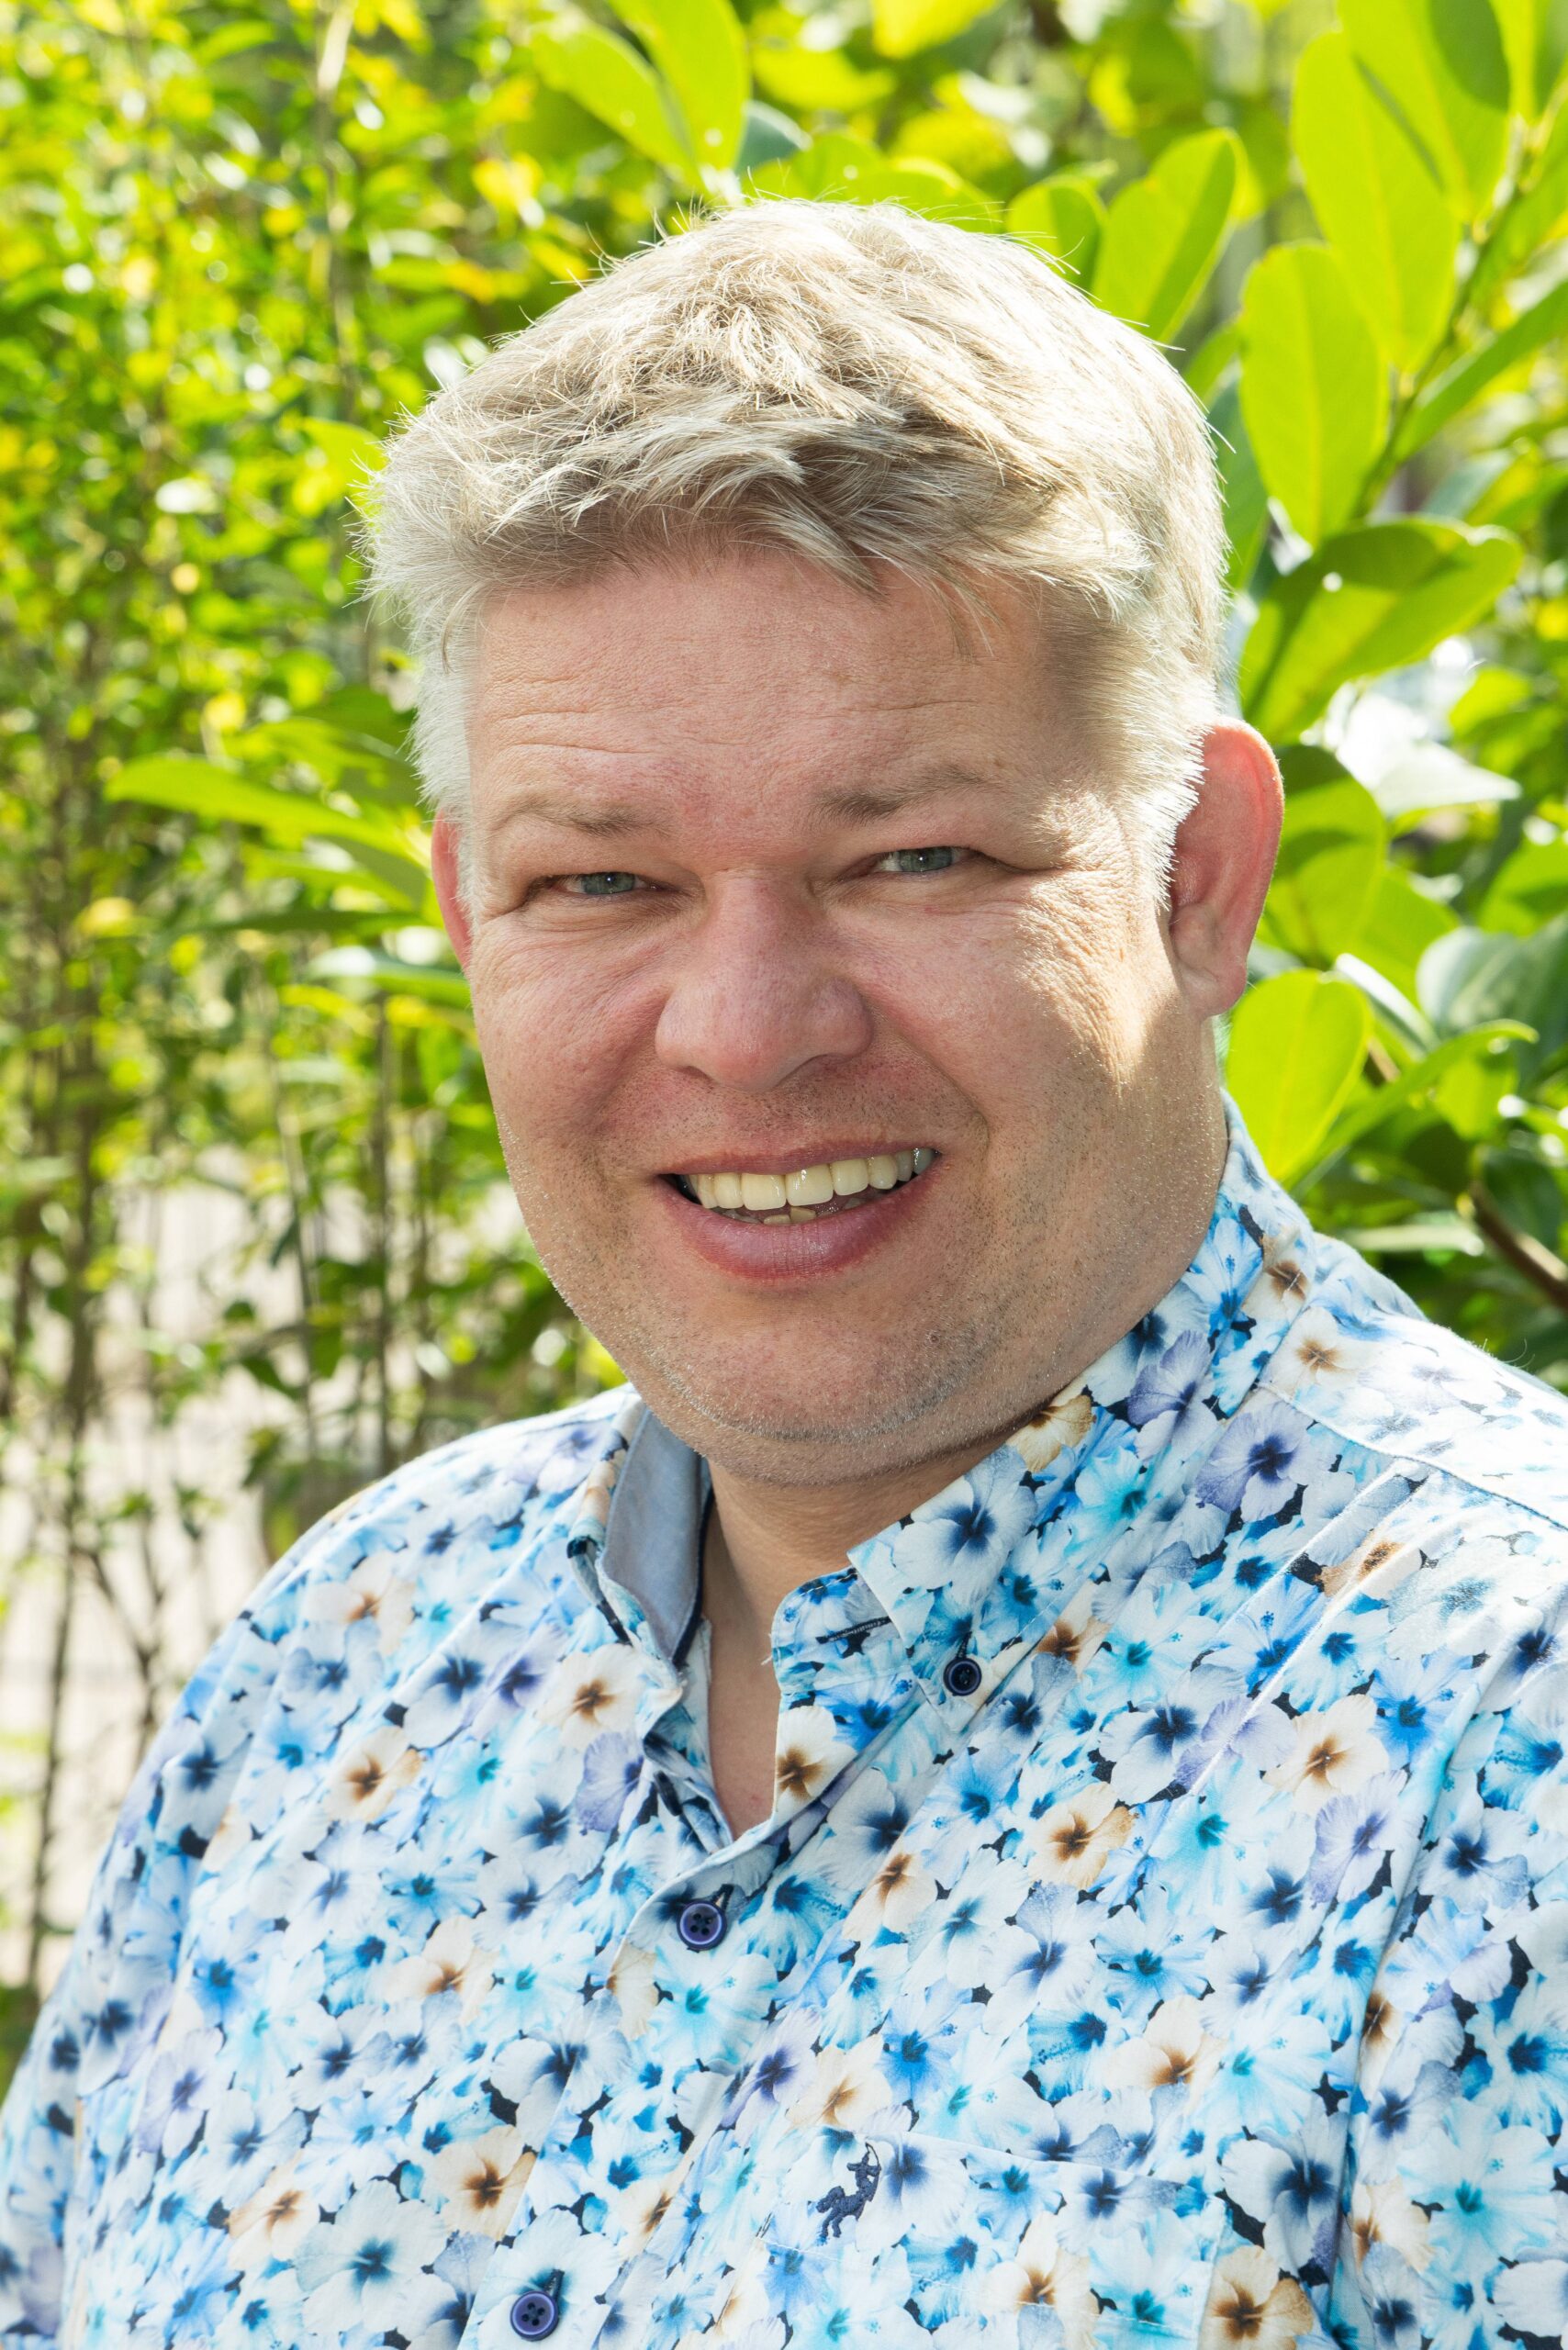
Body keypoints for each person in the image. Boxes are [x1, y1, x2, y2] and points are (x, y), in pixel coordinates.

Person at [4, 198, 1567, 2350]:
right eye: (601, 880)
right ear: (466, 910)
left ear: (1195, 878)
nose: (744, 1030)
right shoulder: (338, 1663)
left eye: (909, 855)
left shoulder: (1508, 1744)